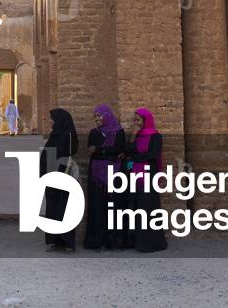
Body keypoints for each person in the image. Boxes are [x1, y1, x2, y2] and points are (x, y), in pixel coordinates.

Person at [123, 107, 168, 253]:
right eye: (134, 120)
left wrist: (136, 158)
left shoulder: (155, 136)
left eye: (138, 120)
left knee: (149, 208)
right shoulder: (138, 135)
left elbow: (153, 155)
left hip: (149, 177)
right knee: (137, 207)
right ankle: (139, 241)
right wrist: (134, 135)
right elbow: (128, 149)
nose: (136, 123)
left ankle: (152, 243)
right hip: (136, 176)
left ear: (146, 120)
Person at [84, 104, 127, 251]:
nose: (97, 119)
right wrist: (108, 152)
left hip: (114, 175)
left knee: (113, 208)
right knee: (98, 207)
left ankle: (113, 241)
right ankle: (98, 241)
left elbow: (119, 149)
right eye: (95, 116)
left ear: (107, 115)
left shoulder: (119, 132)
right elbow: (91, 151)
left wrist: (99, 149)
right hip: (97, 176)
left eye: (99, 116)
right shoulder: (93, 133)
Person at [39, 108, 79, 252]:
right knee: (52, 207)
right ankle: (54, 240)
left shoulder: (67, 135)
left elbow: (70, 152)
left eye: (52, 118)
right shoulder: (55, 135)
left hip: (62, 175)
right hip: (51, 176)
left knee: (64, 208)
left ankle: (67, 242)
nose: (50, 121)